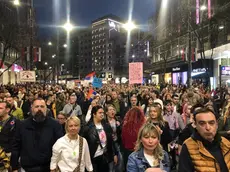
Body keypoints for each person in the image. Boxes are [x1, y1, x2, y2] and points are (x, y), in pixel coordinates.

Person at [10, 98, 64, 172]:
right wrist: (14, 167)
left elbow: (61, 147)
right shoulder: (22, 125)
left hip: (49, 168)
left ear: (46, 109)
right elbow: (16, 147)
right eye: (36, 106)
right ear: (32, 108)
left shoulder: (55, 125)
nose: (39, 109)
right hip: (27, 168)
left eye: (42, 106)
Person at [178, 107, 230, 172]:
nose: (208, 128)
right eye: (202, 123)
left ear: (217, 124)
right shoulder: (188, 146)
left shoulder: (226, 143)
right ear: (195, 125)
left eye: (211, 123)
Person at [83, 105, 118, 172]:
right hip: (93, 158)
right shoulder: (87, 128)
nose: (102, 114)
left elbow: (111, 141)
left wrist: (114, 154)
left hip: (104, 157)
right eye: (100, 113)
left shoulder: (106, 126)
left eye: (103, 113)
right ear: (94, 114)